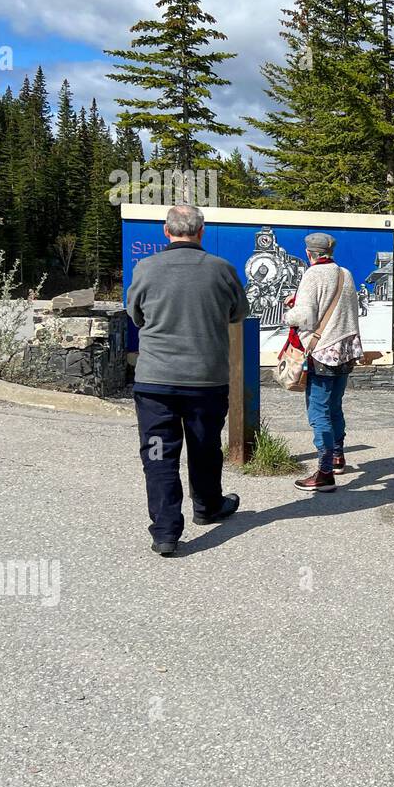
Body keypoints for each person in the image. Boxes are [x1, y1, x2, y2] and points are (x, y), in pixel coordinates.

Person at [127, 204, 249, 556]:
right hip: (205, 381)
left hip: (155, 383)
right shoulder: (221, 270)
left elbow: (135, 314)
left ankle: (165, 532)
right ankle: (207, 506)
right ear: (202, 231)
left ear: (166, 232)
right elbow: (238, 313)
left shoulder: (146, 268)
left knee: (158, 454)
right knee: (205, 446)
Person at [283, 232, 363, 493]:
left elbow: (304, 316)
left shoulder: (312, 275)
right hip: (345, 350)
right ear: (330, 251)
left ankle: (325, 473)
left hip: (322, 352)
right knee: (335, 407)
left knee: (318, 413)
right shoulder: (344, 274)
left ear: (309, 253)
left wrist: (289, 313)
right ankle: (338, 457)